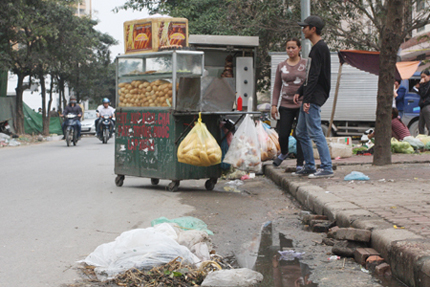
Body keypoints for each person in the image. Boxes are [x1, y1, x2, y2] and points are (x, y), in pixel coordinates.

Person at [293, 15, 333, 178]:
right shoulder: (315, 48)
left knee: (315, 132)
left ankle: (326, 167)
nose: (303, 30)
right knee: (301, 132)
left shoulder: (320, 48)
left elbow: (315, 76)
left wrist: (307, 99)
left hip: (314, 96)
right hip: (310, 94)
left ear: (313, 29)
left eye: (305, 27)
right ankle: (309, 166)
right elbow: (310, 76)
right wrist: (300, 91)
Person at [271, 38, 305, 170]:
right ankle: (284, 152)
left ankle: (300, 163)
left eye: (293, 47)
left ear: (299, 48)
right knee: (283, 134)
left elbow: (310, 83)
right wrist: (274, 104)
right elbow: (277, 87)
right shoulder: (281, 66)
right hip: (285, 104)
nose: (291, 50)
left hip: (301, 104)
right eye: (288, 48)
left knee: (300, 134)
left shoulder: (305, 64)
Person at [417, 70, 430, 135]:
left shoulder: (428, 85)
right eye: (421, 77)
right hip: (422, 106)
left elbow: (424, 93)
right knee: (420, 125)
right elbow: (420, 93)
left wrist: (421, 85)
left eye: (424, 77)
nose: (423, 79)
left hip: (427, 105)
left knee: (428, 125)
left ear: (429, 76)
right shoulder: (424, 85)